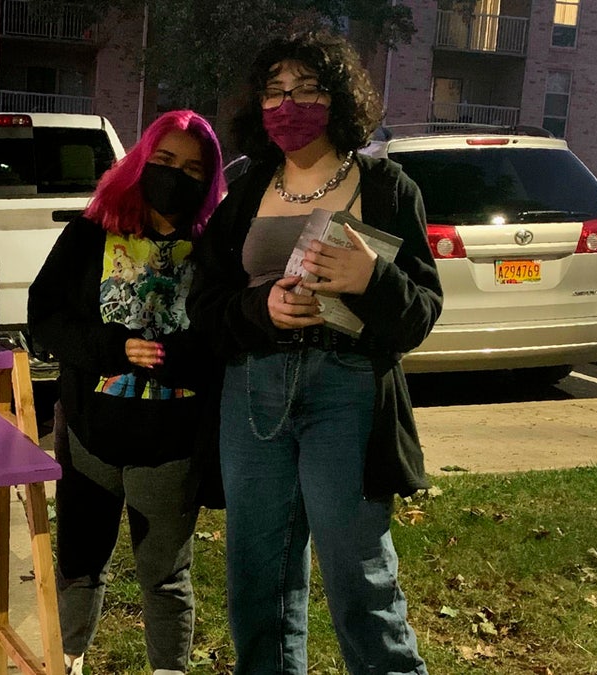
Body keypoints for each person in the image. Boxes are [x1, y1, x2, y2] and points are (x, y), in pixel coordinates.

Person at [186, 31, 442, 674]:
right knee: (257, 574)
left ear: (340, 99)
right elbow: (205, 304)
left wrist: (370, 279)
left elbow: (421, 314)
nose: (288, 103)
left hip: (347, 388)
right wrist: (260, 308)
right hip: (253, 392)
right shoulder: (244, 189)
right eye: (275, 91)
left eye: (308, 88)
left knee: (359, 572)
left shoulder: (385, 186)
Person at [28, 110, 226, 675]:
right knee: (80, 562)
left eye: (192, 168)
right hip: (90, 436)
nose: (174, 176)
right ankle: (67, 658)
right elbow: (43, 321)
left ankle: (169, 668)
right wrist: (114, 349)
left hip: (172, 445)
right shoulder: (90, 233)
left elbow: (224, 338)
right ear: (141, 161)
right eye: (164, 161)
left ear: (207, 180)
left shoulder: (215, 248)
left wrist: (178, 359)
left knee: (165, 574)